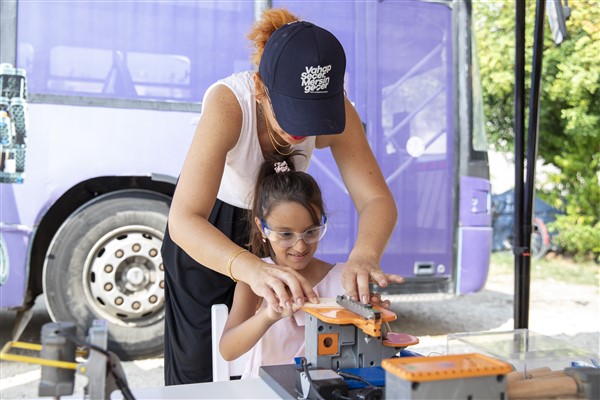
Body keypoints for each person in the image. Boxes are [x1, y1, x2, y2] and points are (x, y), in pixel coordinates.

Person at [161, 8, 402, 385]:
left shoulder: (339, 109)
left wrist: (363, 257)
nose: (303, 130)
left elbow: (377, 200)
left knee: (283, 361)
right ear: (261, 88)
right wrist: (253, 269)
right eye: (293, 112)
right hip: (207, 232)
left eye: (315, 115)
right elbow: (183, 219)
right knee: (200, 371)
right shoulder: (230, 103)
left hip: (280, 226)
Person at [219, 152, 343, 379]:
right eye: (286, 234)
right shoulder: (253, 280)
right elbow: (228, 350)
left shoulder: (341, 278)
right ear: (262, 228)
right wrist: (268, 315)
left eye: (311, 232)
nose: (300, 246)